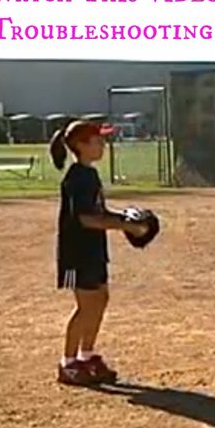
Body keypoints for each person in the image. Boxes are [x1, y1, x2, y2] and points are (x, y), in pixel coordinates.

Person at [50, 120, 148, 385]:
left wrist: (125, 219)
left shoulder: (89, 175)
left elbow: (100, 213)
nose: (103, 145)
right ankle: (68, 363)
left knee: (100, 299)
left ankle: (87, 355)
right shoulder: (76, 178)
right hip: (77, 253)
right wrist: (124, 225)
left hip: (93, 250)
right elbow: (86, 219)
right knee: (85, 306)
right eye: (97, 141)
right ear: (81, 146)